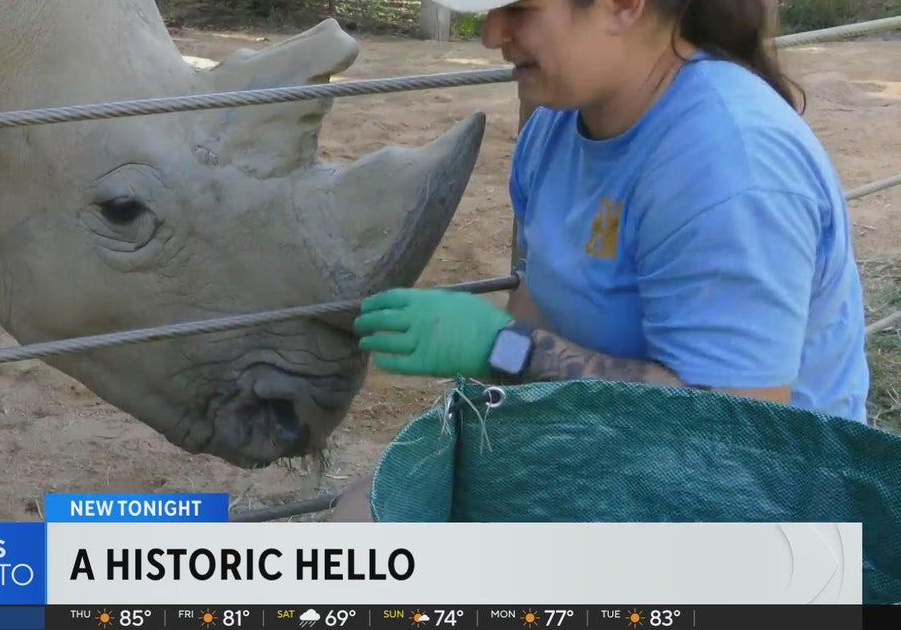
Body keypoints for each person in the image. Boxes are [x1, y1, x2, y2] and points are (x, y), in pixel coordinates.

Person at [331, 0, 870, 522]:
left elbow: (731, 436)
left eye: (520, 9)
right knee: (361, 523)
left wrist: (499, 347)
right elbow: (539, 316)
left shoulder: (729, 167)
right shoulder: (555, 130)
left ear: (623, 5)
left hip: (762, 518)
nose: (492, 35)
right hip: (618, 464)